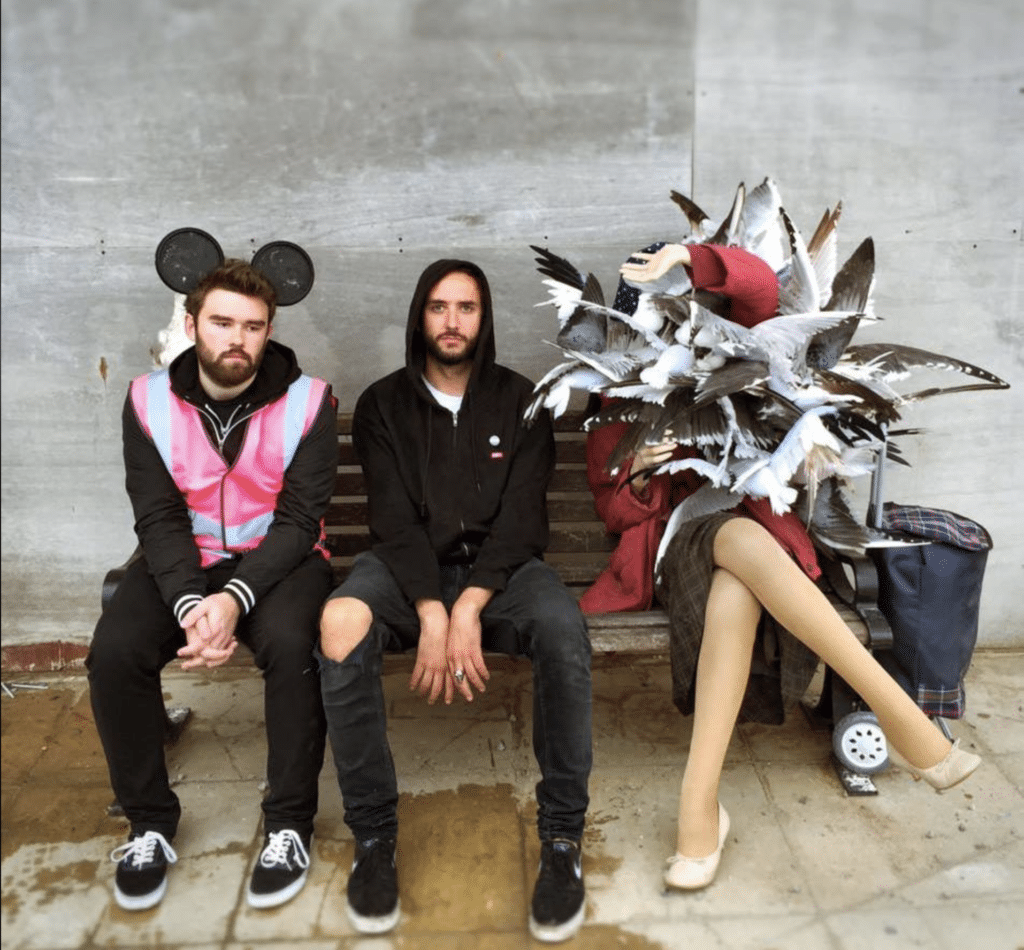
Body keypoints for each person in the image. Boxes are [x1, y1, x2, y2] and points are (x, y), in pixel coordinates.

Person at [582, 241, 982, 891]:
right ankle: (904, 719)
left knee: (737, 575)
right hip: (673, 550)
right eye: (650, 319)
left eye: (675, 309)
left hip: (757, 550)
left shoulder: (734, 351)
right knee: (731, 543)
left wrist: (686, 252)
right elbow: (617, 514)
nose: (665, 327)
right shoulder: (616, 396)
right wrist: (642, 474)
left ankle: (699, 807)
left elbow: (763, 291)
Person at [317, 259, 592, 942]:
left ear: (483, 318)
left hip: (500, 575)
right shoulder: (383, 404)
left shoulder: (520, 398)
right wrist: (431, 609)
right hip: (407, 571)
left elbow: (524, 519)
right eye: (438, 307)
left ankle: (561, 840)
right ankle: (375, 839)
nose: (451, 321)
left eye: (465, 308)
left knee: (562, 630)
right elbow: (392, 521)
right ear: (420, 316)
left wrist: (468, 604)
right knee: (341, 621)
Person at [87, 260, 338, 911]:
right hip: (182, 563)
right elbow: (157, 514)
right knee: (114, 653)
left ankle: (288, 823)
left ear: (269, 330)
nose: (237, 339)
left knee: (291, 645)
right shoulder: (146, 400)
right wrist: (195, 601)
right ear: (193, 323)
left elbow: (297, 521)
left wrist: (233, 601)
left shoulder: (311, 400)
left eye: (253, 326)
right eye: (222, 322)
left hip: (279, 564)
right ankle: (149, 824)